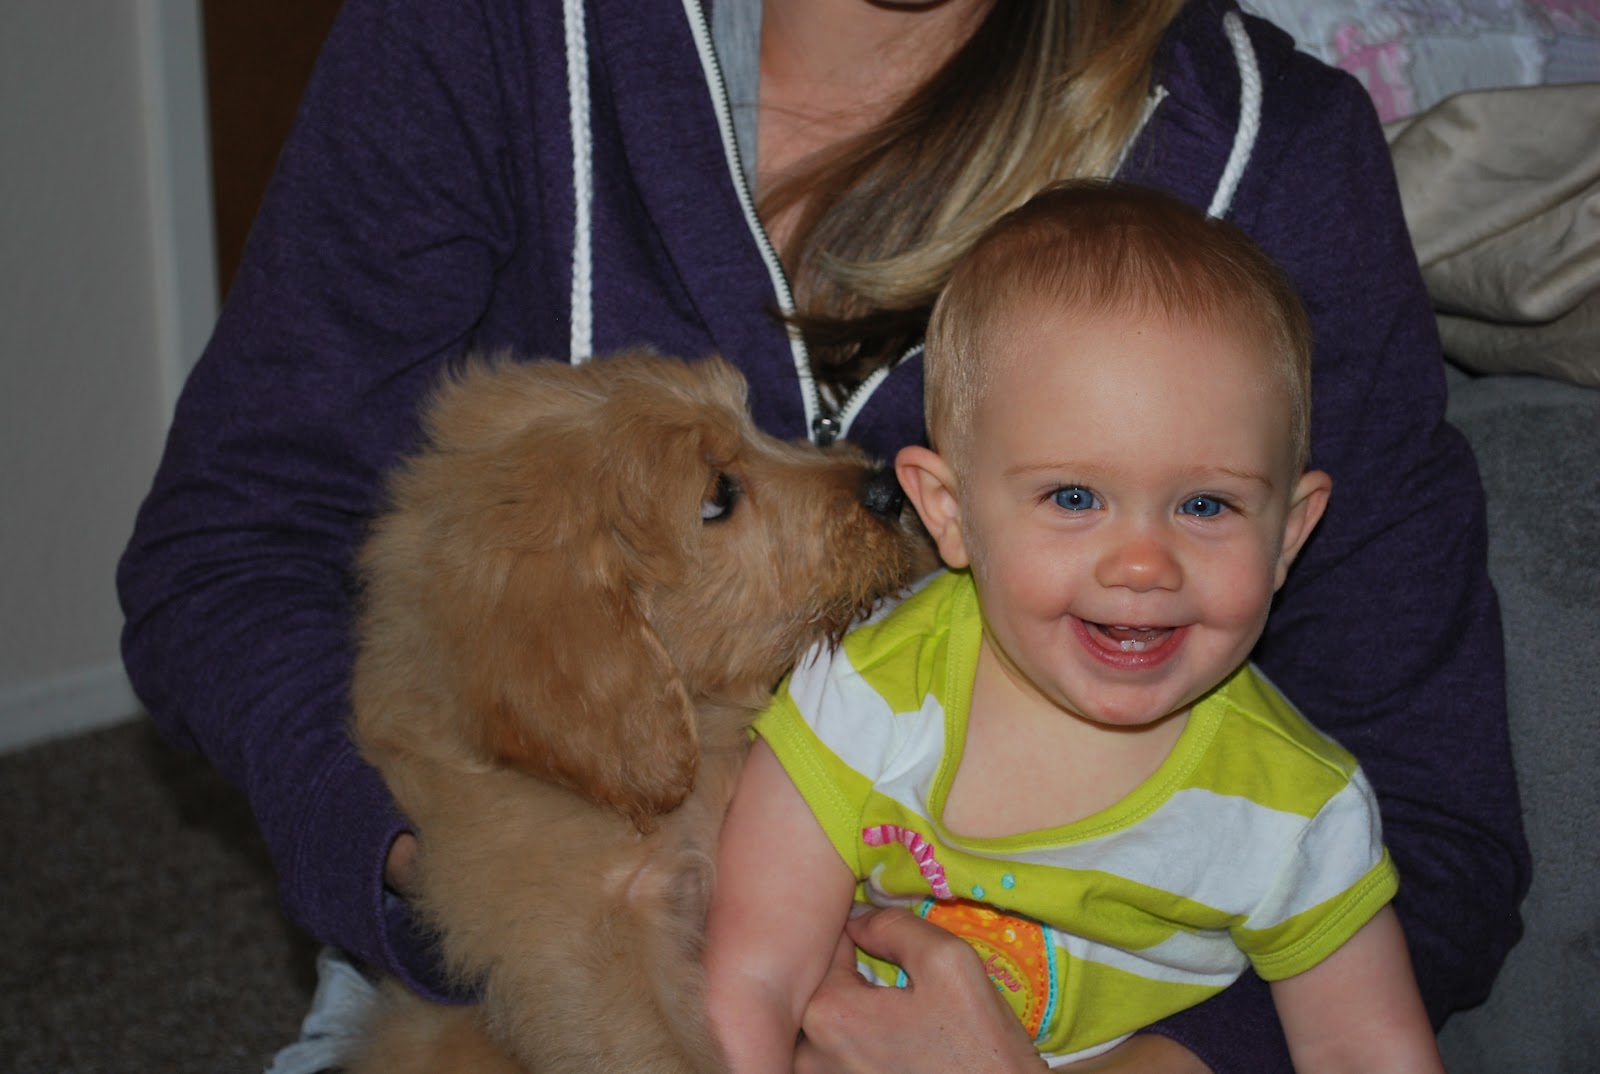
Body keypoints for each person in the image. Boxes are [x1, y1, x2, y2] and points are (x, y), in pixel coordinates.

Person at [116, 2, 1527, 1072]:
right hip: (483, 971)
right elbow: (230, 547)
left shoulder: (1269, 152)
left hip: (1078, 1006)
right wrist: (491, 885)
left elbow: (1429, 824)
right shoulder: (494, 34)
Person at [704, 179, 1445, 1073]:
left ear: (1288, 534)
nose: (1143, 564)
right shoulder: (864, 693)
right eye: (1074, 497)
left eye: (1205, 505)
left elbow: (1366, 1048)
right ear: (948, 512)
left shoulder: (1297, 812)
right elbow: (752, 980)